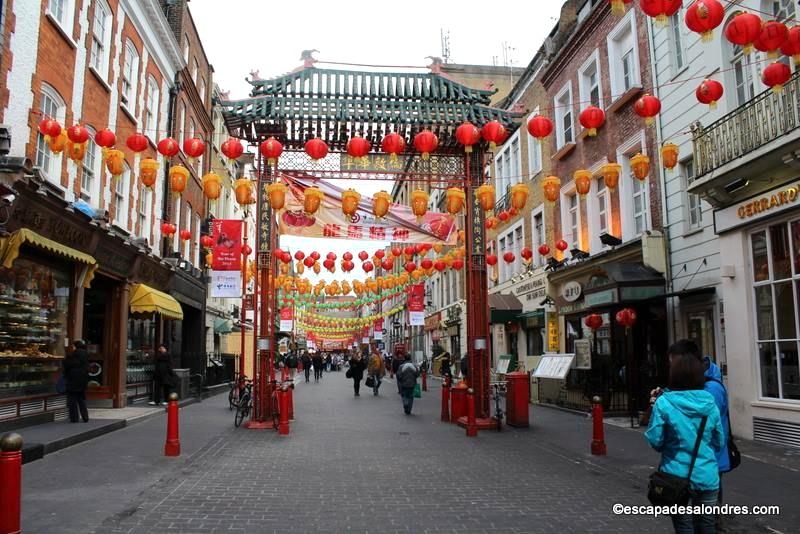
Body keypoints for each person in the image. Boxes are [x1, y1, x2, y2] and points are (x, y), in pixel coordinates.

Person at [645, 342, 724, 534]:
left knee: (684, 525)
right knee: (707, 525)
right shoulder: (709, 402)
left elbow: (655, 440)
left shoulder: (664, 403)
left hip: (675, 476)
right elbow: (718, 441)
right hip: (707, 475)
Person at [64, 340, 89, 423]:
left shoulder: (72, 356)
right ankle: (85, 417)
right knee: (81, 399)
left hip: (73, 380)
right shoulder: (85, 355)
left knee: (72, 400)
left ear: (75, 346)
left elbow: (67, 366)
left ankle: (74, 418)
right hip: (82, 380)